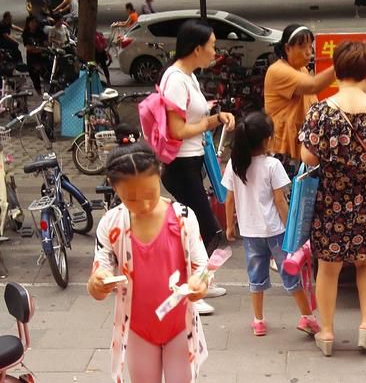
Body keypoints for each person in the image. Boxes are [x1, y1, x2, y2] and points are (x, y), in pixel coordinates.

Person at [299, 41, 366, 356]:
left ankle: (327, 333)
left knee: (328, 268)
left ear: (337, 72)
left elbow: (308, 157)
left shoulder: (321, 111)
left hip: (332, 199)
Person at [87, 124, 209, 383]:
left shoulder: (183, 218)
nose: (142, 205)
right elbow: (99, 273)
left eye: (150, 195)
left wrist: (200, 283)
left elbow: (202, 268)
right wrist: (98, 283)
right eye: (130, 198)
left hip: (179, 326)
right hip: (138, 330)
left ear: (160, 175)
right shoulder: (112, 224)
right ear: (114, 188)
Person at [159, 20, 236, 314]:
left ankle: (203, 281)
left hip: (192, 160)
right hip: (179, 164)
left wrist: (215, 118)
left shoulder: (188, 76)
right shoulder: (176, 79)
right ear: (197, 49)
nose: (215, 51)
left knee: (199, 229)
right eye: (212, 46)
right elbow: (177, 130)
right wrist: (211, 122)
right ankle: (190, 291)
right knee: (203, 228)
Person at [222, 111, 320, 337]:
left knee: (255, 277)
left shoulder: (235, 165)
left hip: (249, 232)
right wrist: (291, 231)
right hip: (276, 231)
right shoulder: (272, 165)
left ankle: (258, 321)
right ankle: (307, 317)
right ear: (266, 139)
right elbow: (280, 201)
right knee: (290, 274)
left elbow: (228, 199)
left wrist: (229, 226)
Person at [264, 24, 336, 174]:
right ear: (287, 48)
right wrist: (341, 64)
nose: (308, 52)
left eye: (310, 47)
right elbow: (314, 86)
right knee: (285, 195)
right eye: (303, 47)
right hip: (282, 149)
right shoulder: (278, 70)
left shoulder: (301, 69)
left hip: (300, 146)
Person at [22, 15, 49, 95]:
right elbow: (28, 47)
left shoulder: (40, 32)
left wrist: (41, 48)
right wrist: (39, 49)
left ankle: (47, 92)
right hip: (32, 58)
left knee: (46, 74)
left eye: (35, 22)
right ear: (28, 23)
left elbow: (46, 43)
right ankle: (39, 93)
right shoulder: (26, 34)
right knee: (34, 76)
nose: (34, 24)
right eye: (32, 22)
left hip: (42, 57)